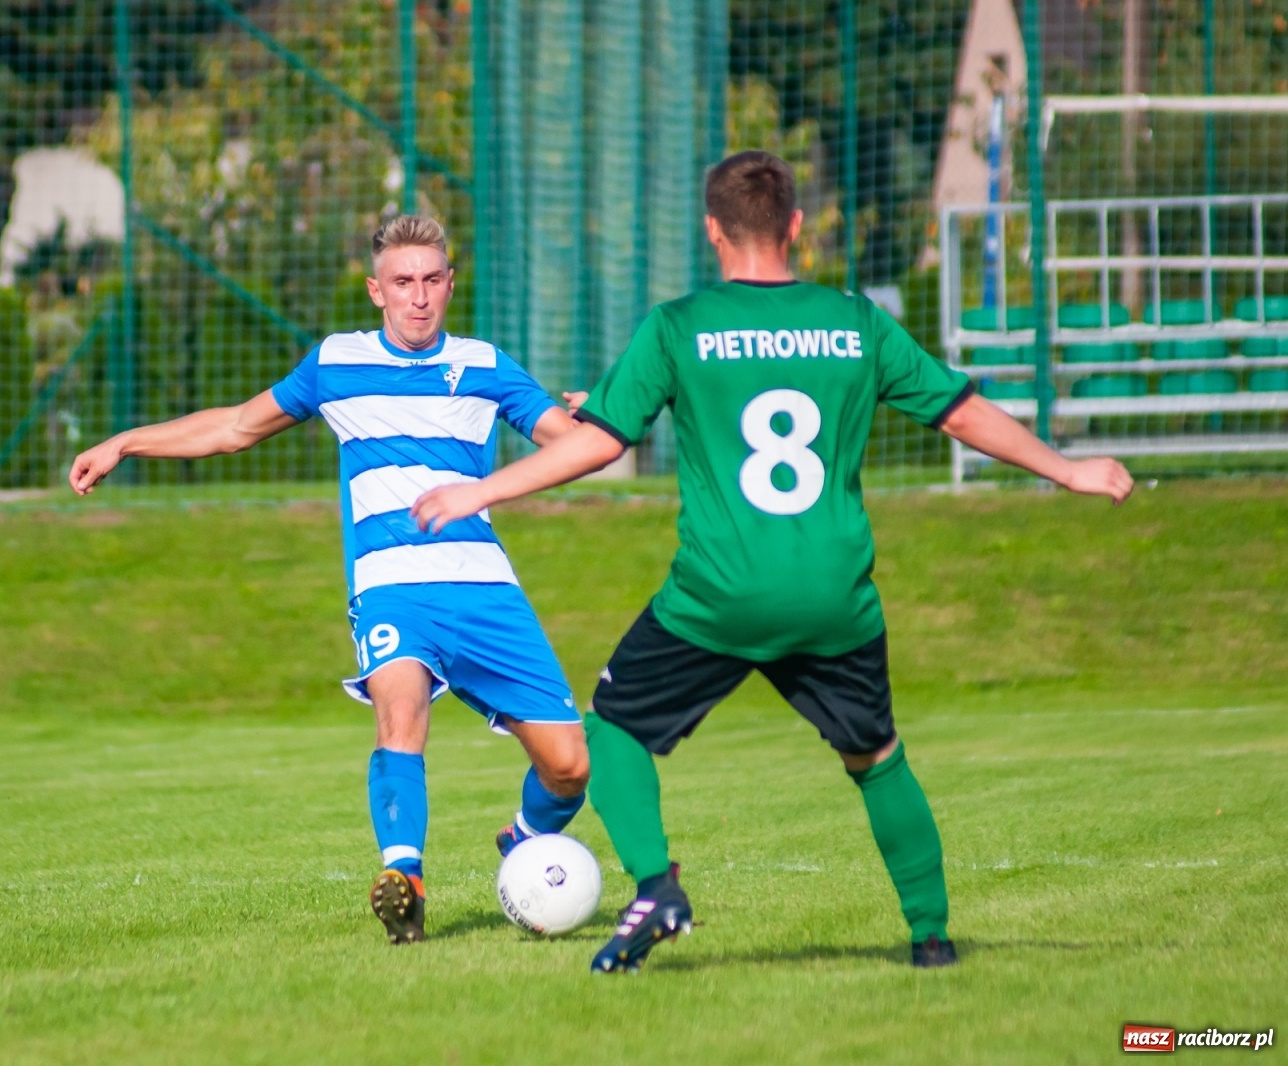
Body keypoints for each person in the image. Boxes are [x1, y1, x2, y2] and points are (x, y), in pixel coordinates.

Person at [411, 151, 1134, 973]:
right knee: (877, 758)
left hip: (719, 595)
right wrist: (1068, 469)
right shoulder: (857, 322)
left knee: (612, 728)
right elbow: (961, 416)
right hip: (833, 593)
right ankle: (931, 937)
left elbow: (598, 445)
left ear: (712, 230)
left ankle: (656, 887)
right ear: (794, 227)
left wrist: (481, 492)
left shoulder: (680, 325)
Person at [70, 215, 590, 945]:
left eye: (432, 281)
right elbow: (234, 428)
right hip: (390, 584)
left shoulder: (485, 364)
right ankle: (403, 879)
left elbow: (567, 445)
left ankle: (523, 837)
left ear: (450, 284)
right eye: (403, 283)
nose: (419, 298)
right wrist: (126, 441)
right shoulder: (335, 362)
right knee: (400, 712)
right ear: (377, 291)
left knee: (570, 767)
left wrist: (598, 415)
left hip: (483, 587)